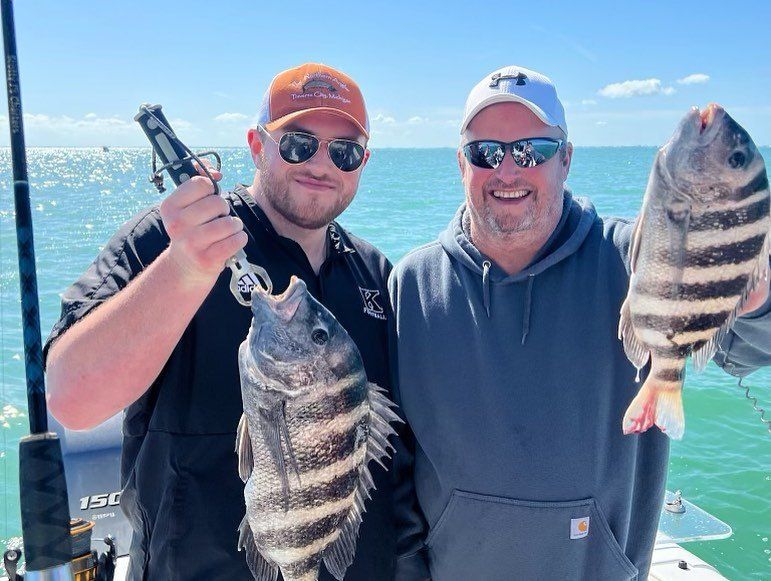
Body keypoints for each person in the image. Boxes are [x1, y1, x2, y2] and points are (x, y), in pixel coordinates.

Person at [388, 65, 771, 580]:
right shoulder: (411, 284)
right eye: (485, 153)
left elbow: (742, 350)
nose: (507, 170)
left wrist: (754, 297)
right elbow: (394, 465)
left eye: (531, 151)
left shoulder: (633, 258)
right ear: (461, 163)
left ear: (566, 159)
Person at [45, 63, 397, 580]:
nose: (322, 163)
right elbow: (73, 399)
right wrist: (186, 266)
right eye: (299, 142)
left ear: (361, 164)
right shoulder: (172, 237)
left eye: (344, 152)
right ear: (257, 145)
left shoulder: (375, 273)